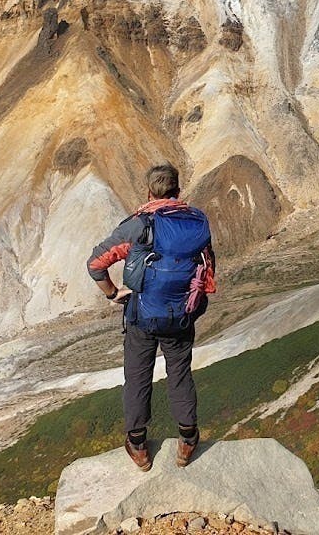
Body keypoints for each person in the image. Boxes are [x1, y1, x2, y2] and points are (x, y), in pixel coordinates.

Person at [86, 163, 214, 470]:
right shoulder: (196, 222)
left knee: (138, 378)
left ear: (148, 192)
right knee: (180, 374)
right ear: (178, 191)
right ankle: (187, 441)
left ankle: (139, 447)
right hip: (181, 316)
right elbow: (207, 269)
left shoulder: (138, 225)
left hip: (142, 317)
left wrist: (113, 293)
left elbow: (95, 264)